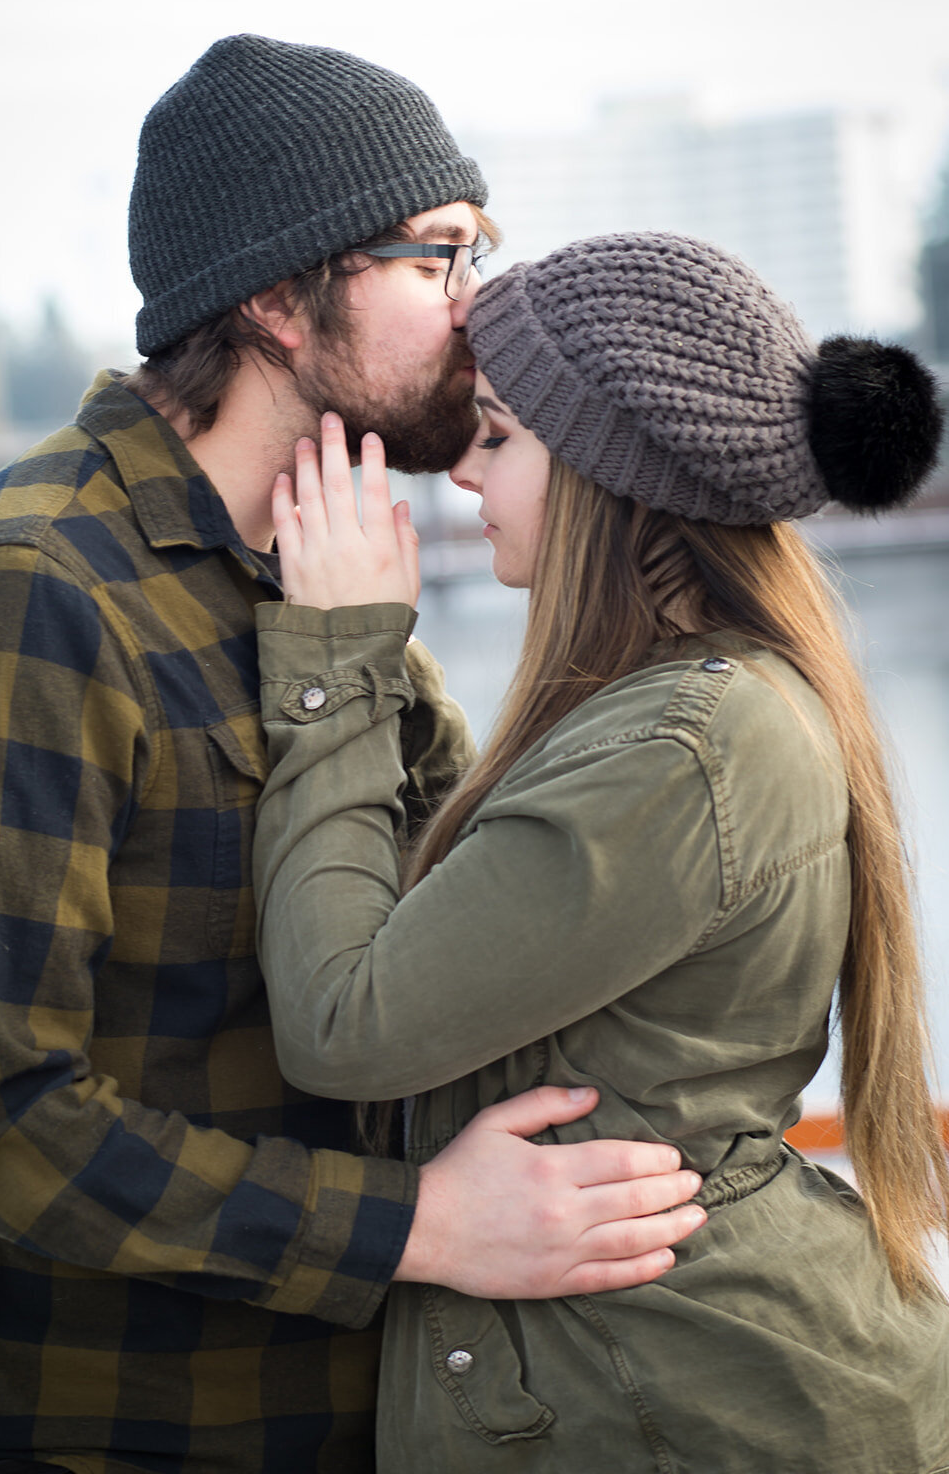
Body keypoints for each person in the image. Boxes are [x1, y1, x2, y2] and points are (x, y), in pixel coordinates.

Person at [0, 41, 705, 1474]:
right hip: (109, 1442)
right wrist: (423, 1224)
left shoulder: (318, 580)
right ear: (272, 299)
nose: (475, 304)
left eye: (475, 250)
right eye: (434, 257)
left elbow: (444, 935)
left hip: (363, 1421)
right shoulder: (27, 588)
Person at [252, 232, 949, 1472]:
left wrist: (336, 660)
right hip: (679, 1383)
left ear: (606, 477)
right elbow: (472, 908)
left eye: (504, 434)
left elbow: (345, 1021)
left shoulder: (689, 746)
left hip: (683, 1405)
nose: (465, 466)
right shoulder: (681, 708)